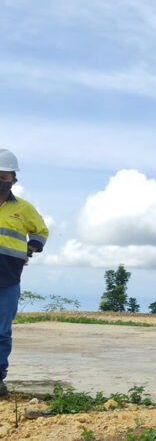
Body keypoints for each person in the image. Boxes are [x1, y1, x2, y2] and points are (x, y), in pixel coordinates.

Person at [0, 149, 49, 397]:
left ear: (13, 180)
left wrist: (31, 248)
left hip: (8, 279)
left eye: (3, 176)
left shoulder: (24, 209)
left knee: (1, 331)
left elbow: (40, 231)